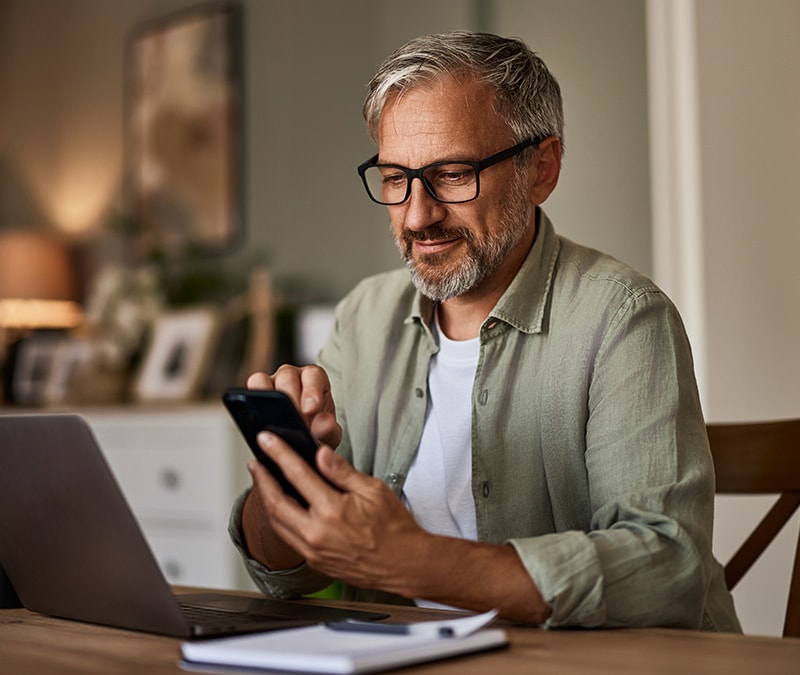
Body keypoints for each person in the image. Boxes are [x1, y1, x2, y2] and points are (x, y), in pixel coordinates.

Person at [229, 31, 741, 631]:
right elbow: (285, 574)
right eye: (394, 178)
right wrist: (286, 477)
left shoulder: (624, 319)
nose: (417, 215)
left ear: (541, 169)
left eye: (451, 174)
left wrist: (414, 561)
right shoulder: (364, 317)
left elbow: (665, 572)